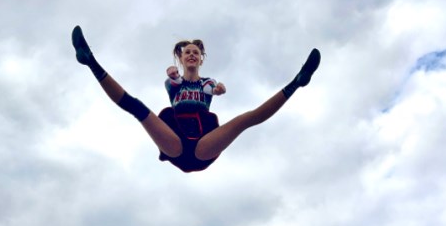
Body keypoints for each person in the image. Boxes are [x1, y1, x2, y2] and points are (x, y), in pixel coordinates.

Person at [71, 27, 321, 173]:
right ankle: (89, 60)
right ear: (180, 57)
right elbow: (174, 80)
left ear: (202, 58)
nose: (192, 55)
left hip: (203, 145)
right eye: (187, 52)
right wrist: (173, 73)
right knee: (136, 107)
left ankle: (297, 81)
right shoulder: (172, 80)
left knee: (246, 119)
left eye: (196, 53)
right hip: (176, 143)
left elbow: (213, 89)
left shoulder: (206, 83)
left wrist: (219, 89)